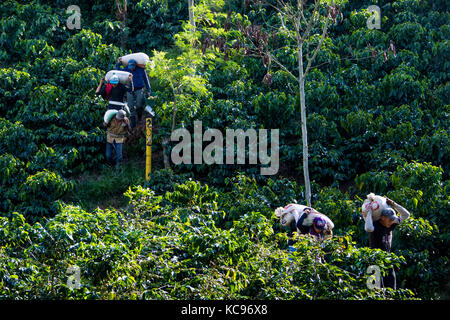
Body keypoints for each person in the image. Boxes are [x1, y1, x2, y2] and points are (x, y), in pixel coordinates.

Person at [365, 197, 410, 289]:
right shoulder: (375, 225)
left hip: (387, 260)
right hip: (374, 261)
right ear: (382, 218)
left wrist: (393, 204)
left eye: (392, 219)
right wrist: (369, 212)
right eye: (389, 219)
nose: (392, 221)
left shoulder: (391, 224)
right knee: (374, 289)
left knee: (391, 289)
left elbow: (406, 215)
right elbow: (368, 228)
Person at [116, 58, 151, 128]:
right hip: (130, 90)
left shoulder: (141, 70)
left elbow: (146, 80)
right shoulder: (126, 69)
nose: (131, 69)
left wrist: (148, 90)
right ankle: (133, 122)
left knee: (139, 104)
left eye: (132, 67)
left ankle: (140, 117)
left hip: (139, 89)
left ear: (135, 65)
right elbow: (118, 72)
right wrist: (118, 63)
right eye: (130, 67)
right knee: (130, 106)